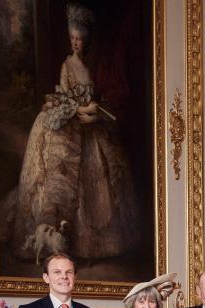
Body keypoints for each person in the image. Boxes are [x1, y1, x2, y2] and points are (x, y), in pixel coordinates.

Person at [8, 2, 139, 264]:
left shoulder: (88, 68)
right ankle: (58, 238)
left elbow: (93, 95)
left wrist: (95, 111)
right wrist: (81, 109)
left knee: (99, 178)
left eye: (80, 39)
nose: (76, 43)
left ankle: (90, 244)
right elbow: (66, 97)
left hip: (91, 128)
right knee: (65, 176)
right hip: (71, 125)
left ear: (86, 41)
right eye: (73, 38)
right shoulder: (67, 65)